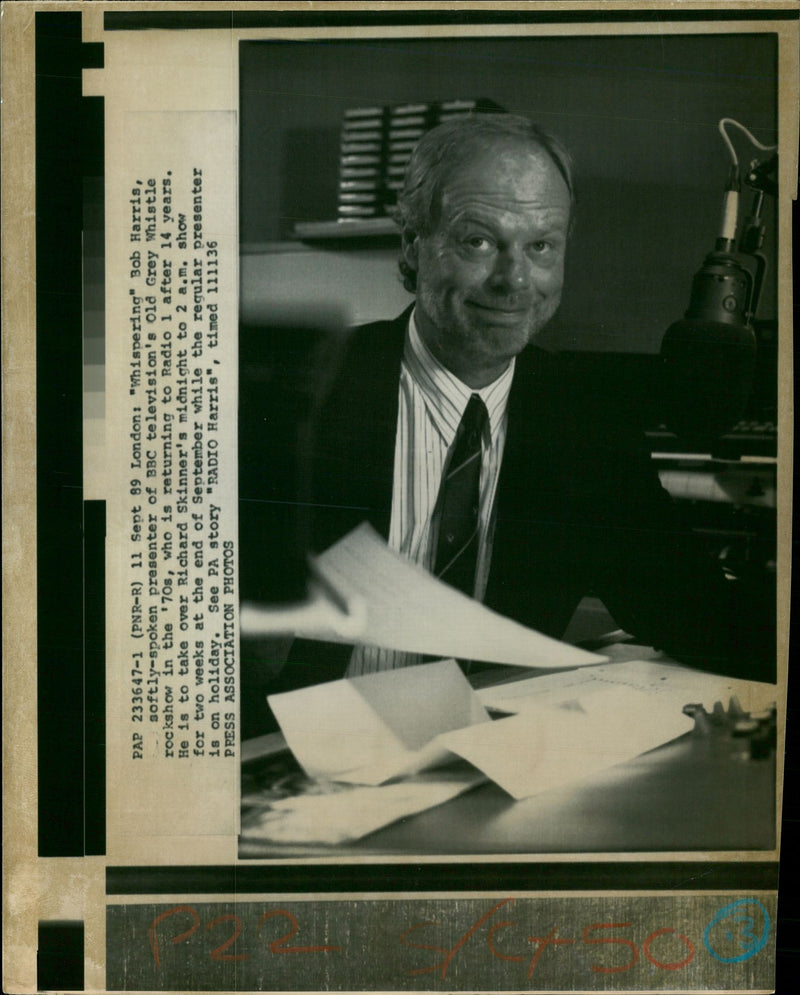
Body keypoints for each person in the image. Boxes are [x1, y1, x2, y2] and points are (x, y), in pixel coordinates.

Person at [240, 114, 775, 727]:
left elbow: (697, 610)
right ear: (413, 245)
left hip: (484, 766)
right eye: (478, 241)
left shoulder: (581, 419)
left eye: (541, 245)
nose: (515, 280)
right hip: (292, 758)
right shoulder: (293, 392)